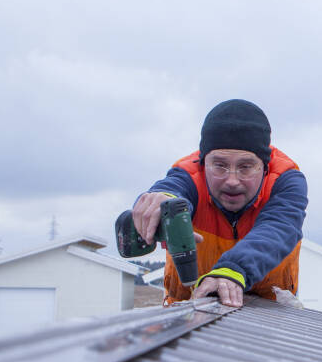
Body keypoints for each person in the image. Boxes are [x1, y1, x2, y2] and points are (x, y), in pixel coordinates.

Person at [131, 99, 307, 307]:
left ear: (265, 166)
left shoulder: (285, 181)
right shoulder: (188, 176)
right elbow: (173, 188)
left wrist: (234, 269)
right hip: (188, 310)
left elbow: (280, 227)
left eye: (246, 167)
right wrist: (160, 200)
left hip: (269, 313)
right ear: (203, 163)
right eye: (220, 165)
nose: (232, 181)